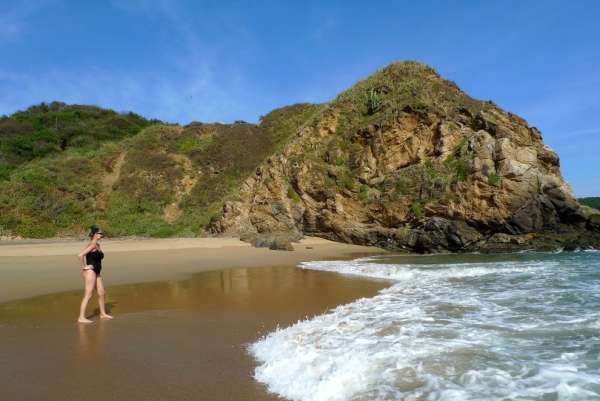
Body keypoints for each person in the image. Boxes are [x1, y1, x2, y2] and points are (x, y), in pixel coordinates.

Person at [77, 226, 113, 323]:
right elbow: (80, 255)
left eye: (102, 233)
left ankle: (102, 314)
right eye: (100, 233)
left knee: (102, 293)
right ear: (95, 234)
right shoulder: (92, 245)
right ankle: (81, 317)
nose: (102, 235)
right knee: (88, 294)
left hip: (97, 272)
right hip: (90, 272)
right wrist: (85, 266)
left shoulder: (98, 245)